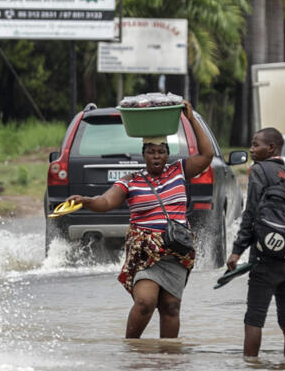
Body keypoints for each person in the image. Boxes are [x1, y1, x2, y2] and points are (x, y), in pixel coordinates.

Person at [63, 100, 215, 338]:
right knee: (145, 301)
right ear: (143, 155)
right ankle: (132, 350)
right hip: (145, 252)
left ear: (168, 154)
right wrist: (86, 200)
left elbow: (207, 154)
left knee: (171, 307)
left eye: (161, 151)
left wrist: (191, 119)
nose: (157, 156)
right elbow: (106, 202)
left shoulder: (179, 171)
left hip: (176, 250)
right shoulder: (131, 180)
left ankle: (167, 359)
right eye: (151, 152)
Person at [225, 127, 285, 357]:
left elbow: (252, 213)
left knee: (254, 318)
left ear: (272, 148)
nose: (251, 149)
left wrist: (237, 251)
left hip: (265, 258)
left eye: (256, 144)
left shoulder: (259, 171)